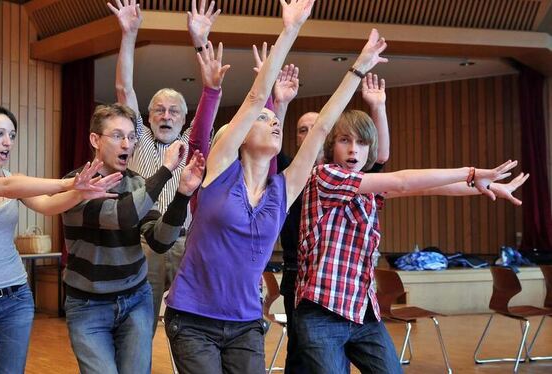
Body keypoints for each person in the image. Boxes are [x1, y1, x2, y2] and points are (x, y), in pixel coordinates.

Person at [163, 1, 390, 372]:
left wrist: (358, 67)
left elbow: (321, 129)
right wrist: (290, 29)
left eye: (275, 119)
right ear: (236, 137)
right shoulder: (219, 170)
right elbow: (255, 98)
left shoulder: (283, 189)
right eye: (263, 119)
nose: (272, 122)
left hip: (246, 324)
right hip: (192, 319)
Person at [294, 108, 527, 373]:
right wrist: (470, 172)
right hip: (322, 311)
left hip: (362, 312)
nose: (353, 150)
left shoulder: (368, 190)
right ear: (331, 145)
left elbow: (427, 186)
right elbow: (402, 181)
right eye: (344, 140)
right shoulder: (324, 177)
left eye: (361, 142)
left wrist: (492, 187)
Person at [0, 105, 118, 374]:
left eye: (11, 135)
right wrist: (69, 183)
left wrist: (81, 193)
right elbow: (4, 188)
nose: (7, 141)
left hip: (16, 298)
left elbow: (49, 205)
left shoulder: (16, 179)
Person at [108, 0, 227, 332]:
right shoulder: (138, 139)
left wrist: (201, 40)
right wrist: (128, 33)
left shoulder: (192, 142)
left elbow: (209, 98)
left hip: (187, 243)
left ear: (184, 118)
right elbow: (123, 89)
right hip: (144, 243)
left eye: (174, 110)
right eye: (159, 110)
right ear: (147, 117)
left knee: (192, 326)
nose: (166, 116)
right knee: (139, 324)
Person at [60, 103, 205, 374]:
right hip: (88, 306)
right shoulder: (77, 184)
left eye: (131, 137)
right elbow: (122, 216)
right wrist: (165, 171)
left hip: (134, 299)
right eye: (117, 136)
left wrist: (183, 194)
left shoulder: (138, 184)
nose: (127, 144)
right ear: (95, 140)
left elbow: (159, 240)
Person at [270, 73, 390, 374]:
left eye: (317, 128)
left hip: (344, 284)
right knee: (301, 358)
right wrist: (280, 103)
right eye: (303, 130)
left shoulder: (345, 172)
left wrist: (378, 107)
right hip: (303, 277)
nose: (311, 134)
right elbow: (271, 153)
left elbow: (380, 161)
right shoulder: (296, 172)